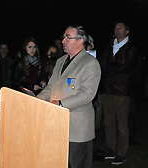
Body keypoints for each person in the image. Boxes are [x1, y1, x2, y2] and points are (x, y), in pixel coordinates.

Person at [37, 26, 101, 168]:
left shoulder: (90, 63)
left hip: (77, 128)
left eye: (68, 37)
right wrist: (37, 101)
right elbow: (50, 87)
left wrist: (60, 104)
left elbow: (88, 93)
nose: (63, 41)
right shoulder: (60, 61)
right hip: (57, 125)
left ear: (80, 41)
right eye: (64, 37)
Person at [100, 21, 138, 165]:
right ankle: (110, 149)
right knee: (108, 122)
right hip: (106, 89)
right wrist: (113, 66)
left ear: (127, 31)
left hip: (122, 91)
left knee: (122, 124)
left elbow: (124, 68)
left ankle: (122, 153)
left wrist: (108, 66)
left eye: (120, 27)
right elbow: (102, 62)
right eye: (115, 27)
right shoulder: (110, 45)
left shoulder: (131, 48)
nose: (117, 30)